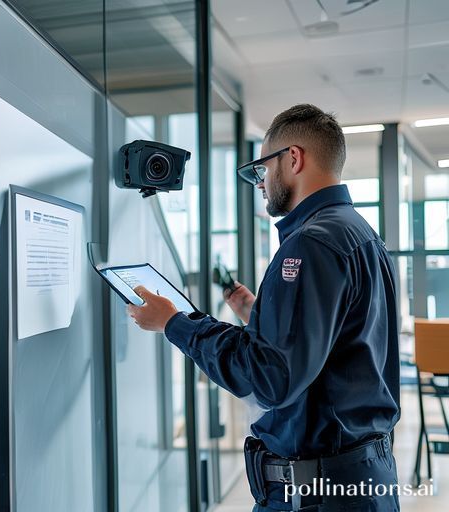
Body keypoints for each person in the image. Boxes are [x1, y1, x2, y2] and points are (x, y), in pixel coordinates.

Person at [128, 104, 400, 511]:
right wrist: (261, 316)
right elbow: (341, 346)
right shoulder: (360, 233)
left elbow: (269, 378)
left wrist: (174, 323)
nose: (260, 183)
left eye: (262, 169)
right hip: (359, 479)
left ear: (293, 159)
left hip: (318, 492)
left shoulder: (311, 243)